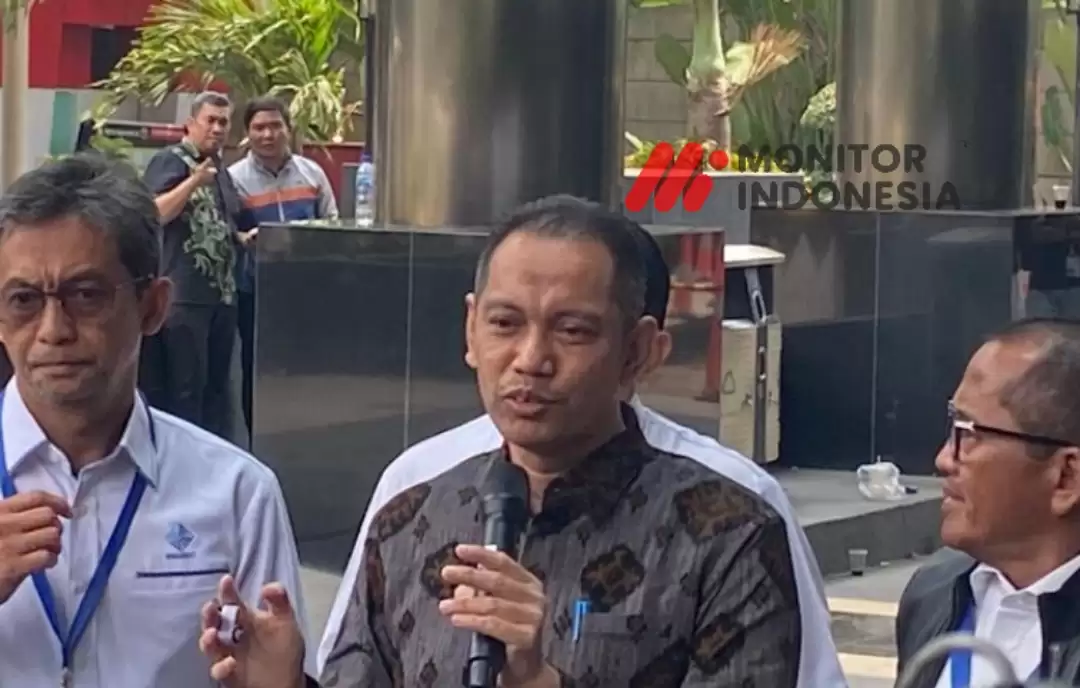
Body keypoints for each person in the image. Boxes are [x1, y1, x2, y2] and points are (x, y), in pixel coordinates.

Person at [199, 196, 801, 687]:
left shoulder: (729, 535)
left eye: (572, 330)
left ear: (638, 351)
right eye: (505, 324)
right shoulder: (410, 520)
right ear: (471, 330)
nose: (531, 359)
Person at [0, 153, 312, 687]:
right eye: (23, 299)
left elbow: (276, 669)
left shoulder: (237, 494)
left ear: (153, 307)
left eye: (86, 295)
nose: (53, 330)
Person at [894, 318, 1080, 687]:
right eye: (952, 428)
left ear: (1066, 477)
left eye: (969, 435)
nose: (944, 460)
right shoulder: (935, 592)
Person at [142, 90, 256, 439]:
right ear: (191, 124)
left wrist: (241, 238)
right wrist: (192, 182)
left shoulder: (221, 170)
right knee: (185, 390)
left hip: (222, 296)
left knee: (216, 392)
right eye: (211, 121)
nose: (218, 129)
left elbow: (218, 222)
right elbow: (153, 214)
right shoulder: (171, 160)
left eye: (224, 122)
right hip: (184, 297)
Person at [227, 95, 339, 437]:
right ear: (247, 133)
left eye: (275, 126)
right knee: (256, 369)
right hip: (256, 290)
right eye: (259, 127)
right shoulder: (233, 179)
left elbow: (332, 221)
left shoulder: (312, 173)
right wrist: (245, 238)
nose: (268, 134)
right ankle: (259, 438)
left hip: (306, 289)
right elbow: (227, 232)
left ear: (288, 129)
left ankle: (308, 435)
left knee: (308, 367)